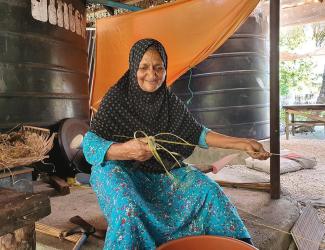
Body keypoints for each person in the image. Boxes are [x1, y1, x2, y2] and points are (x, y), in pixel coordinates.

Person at [83, 38, 270, 249]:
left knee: (210, 191)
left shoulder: (169, 101)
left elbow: (197, 133)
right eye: (143, 67)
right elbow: (90, 143)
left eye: (158, 67)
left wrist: (243, 143)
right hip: (121, 171)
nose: (152, 75)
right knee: (129, 210)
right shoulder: (117, 97)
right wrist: (125, 150)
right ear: (133, 67)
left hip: (162, 173)